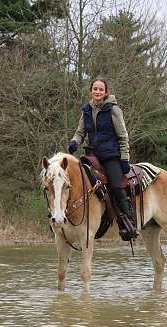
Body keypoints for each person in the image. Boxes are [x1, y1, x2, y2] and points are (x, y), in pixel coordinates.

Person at [68, 76, 137, 239]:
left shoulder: (113, 110)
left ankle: (129, 222)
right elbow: (80, 132)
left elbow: (123, 136)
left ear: (105, 92)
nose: (97, 91)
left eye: (101, 89)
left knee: (115, 185)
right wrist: (74, 142)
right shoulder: (86, 110)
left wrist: (124, 158)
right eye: (95, 89)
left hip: (111, 155)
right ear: (91, 91)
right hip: (92, 156)